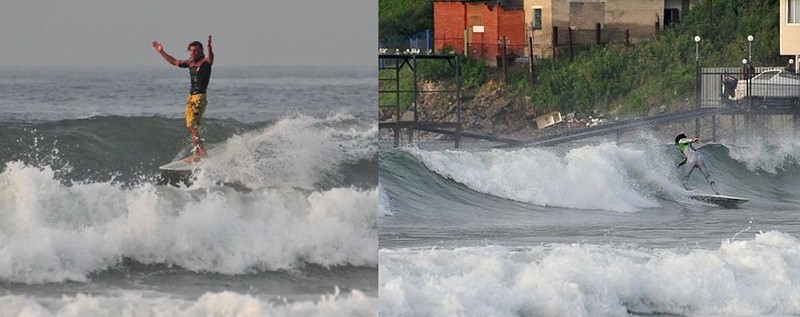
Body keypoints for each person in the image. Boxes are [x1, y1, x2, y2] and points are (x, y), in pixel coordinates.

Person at [152, 35, 214, 161]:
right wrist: (161, 52)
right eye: (191, 50)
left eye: (195, 50)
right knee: (191, 126)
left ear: (201, 51)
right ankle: (200, 152)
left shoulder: (205, 62)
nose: (193, 52)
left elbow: (211, 59)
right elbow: (174, 61)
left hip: (199, 97)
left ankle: (199, 153)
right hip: (191, 97)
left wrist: (209, 48)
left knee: (192, 125)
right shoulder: (190, 62)